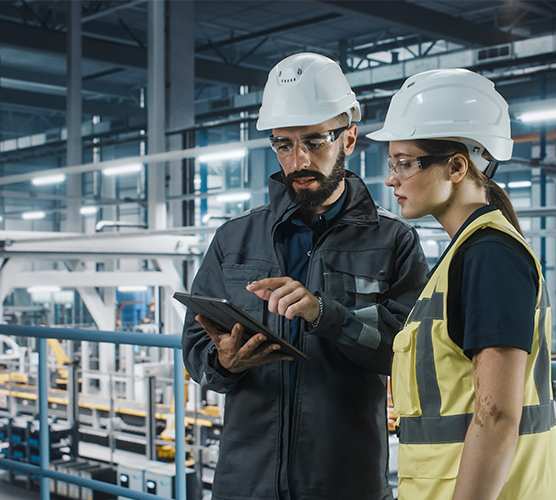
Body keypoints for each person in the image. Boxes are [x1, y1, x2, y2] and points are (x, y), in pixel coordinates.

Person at [181, 52, 428, 500]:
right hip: (245, 482)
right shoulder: (234, 239)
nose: (298, 161)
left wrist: (325, 314)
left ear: (349, 138)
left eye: (315, 141)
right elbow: (197, 348)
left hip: (343, 481)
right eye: (283, 144)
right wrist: (224, 363)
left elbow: (408, 354)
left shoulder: (395, 242)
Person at [367, 68, 556, 500]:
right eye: (391, 162)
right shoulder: (466, 253)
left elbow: (496, 415)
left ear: (457, 167)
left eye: (404, 162)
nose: (391, 178)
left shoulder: (490, 256)